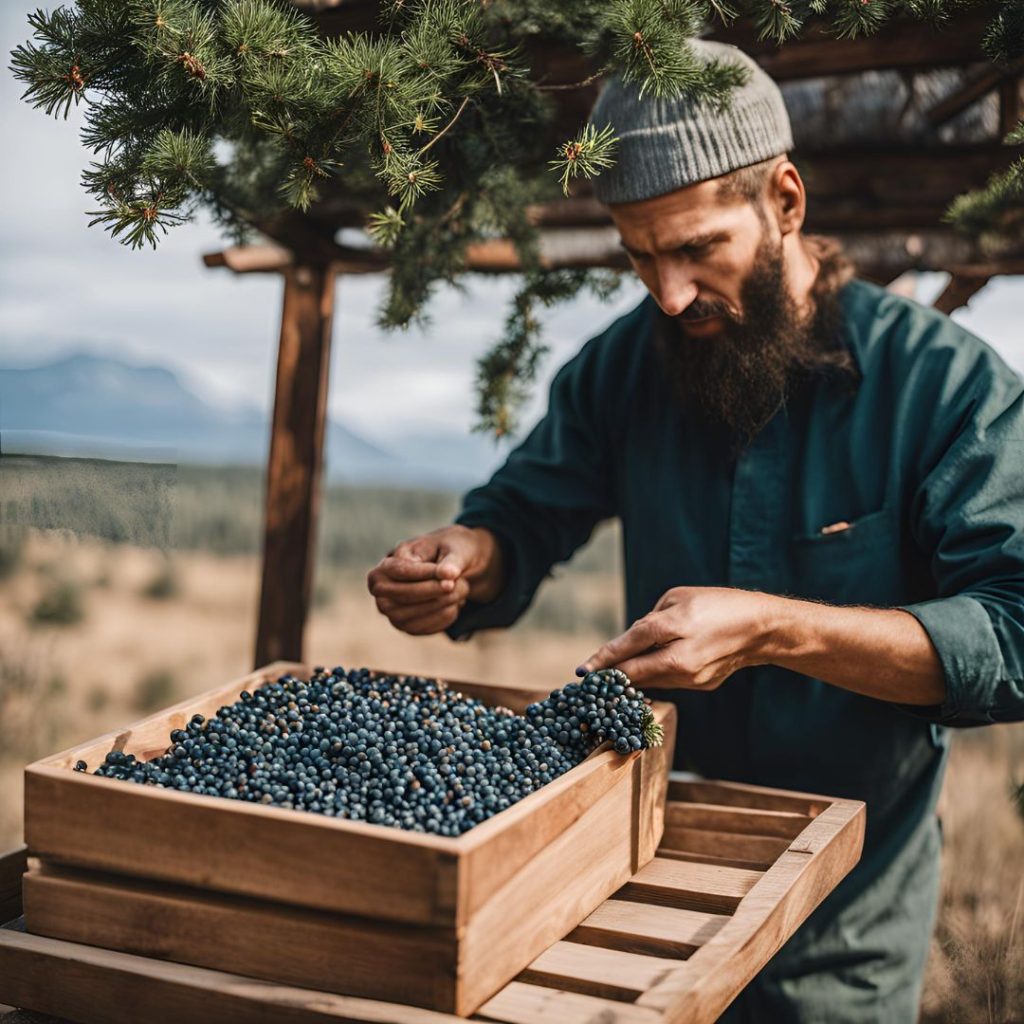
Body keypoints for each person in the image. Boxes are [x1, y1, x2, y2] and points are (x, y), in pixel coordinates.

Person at [366, 39, 1024, 1022]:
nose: (667, 294)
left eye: (694, 248)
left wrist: (771, 627)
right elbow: (521, 515)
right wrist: (468, 559)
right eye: (638, 255)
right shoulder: (624, 366)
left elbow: (1013, 635)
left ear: (785, 202)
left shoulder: (946, 388)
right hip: (631, 896)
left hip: (837, 940)